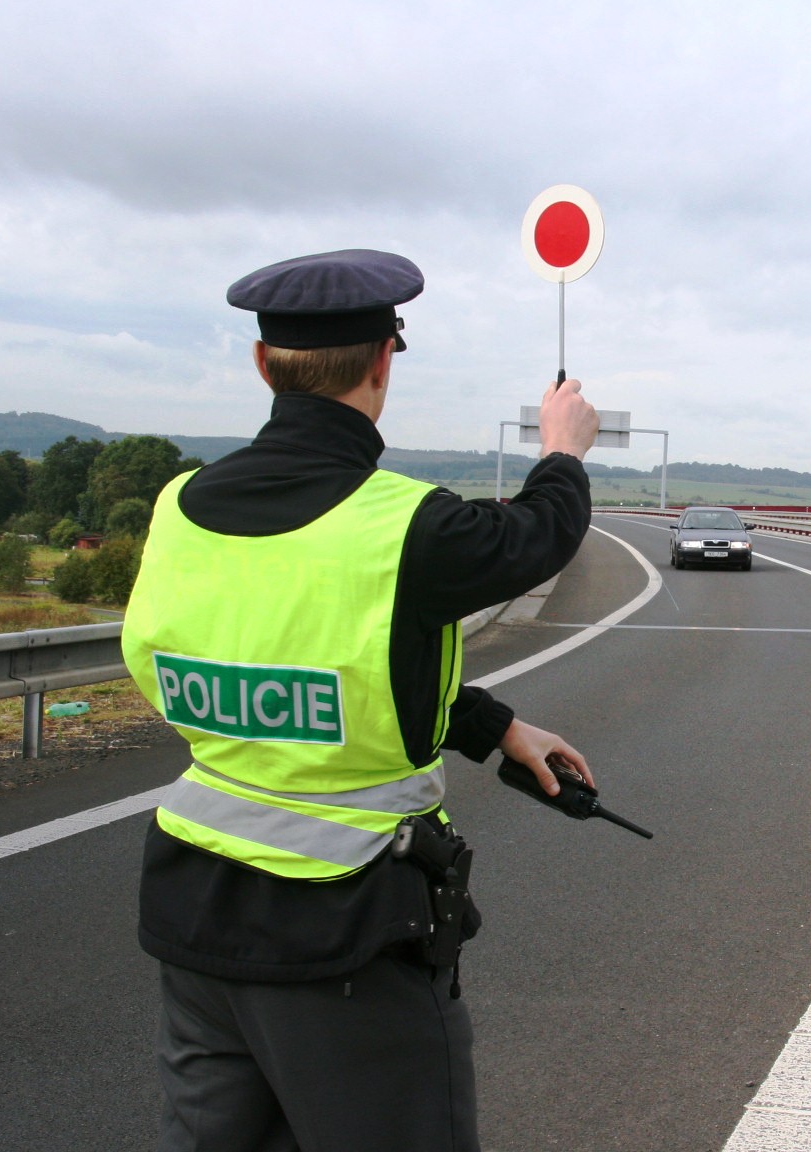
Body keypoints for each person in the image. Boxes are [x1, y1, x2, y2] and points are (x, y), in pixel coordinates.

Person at [120, 248, 600, 1152]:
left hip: (194, 917)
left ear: (264, 367)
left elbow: (331, 667)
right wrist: (562, 448)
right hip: (342, 932)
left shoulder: (180, 506)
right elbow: (541, 533)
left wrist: (497, 728)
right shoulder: (404, 523)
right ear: (384, 364)